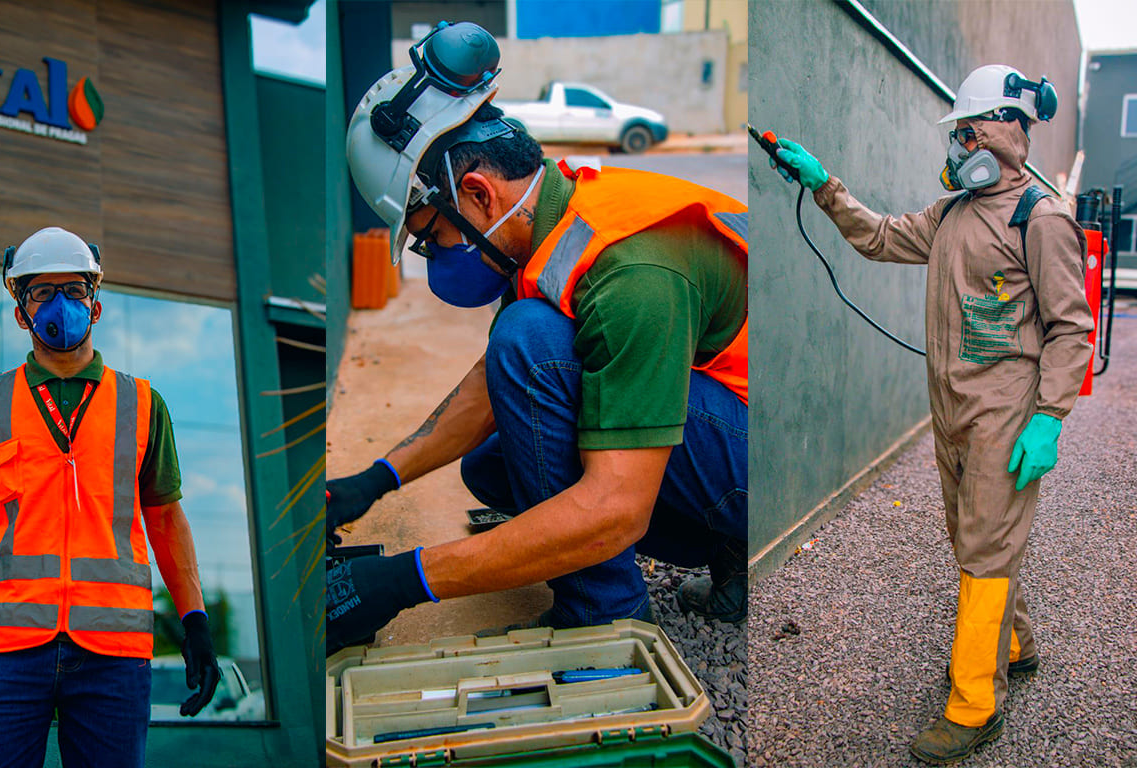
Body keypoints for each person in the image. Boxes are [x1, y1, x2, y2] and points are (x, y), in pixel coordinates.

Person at [326, 22, 748, 654]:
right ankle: (724, 550)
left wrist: (404, 580)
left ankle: (606, 619)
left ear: (475, 192)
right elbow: (491, 386)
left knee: (528, 343)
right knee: (494, 465)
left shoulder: (632, 269)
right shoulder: (547, 221)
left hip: (761, 454)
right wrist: (375, 481)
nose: (433, 254)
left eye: (429, 234)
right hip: (715, 421)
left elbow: (617, 508)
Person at [772, 65, 1092, 764]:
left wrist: (1050, 418)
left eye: (967, 131)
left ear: (1004, 132)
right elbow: (880, 236)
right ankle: (1016, 643)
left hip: (1006, 415)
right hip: (951, 410)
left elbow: (1072, 327)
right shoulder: (950, 215)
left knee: (982, 548)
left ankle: (976, 705)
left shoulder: (1039, 219)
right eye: (958, 133)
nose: (957, 144)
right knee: (974, 537)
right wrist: (824, 186)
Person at [0, 227, 221, 768]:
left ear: (96, 304)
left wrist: (195, 620)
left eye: (73, 290)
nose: (60, 305)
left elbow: (165, 519)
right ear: (21, 311)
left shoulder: (142, 403)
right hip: (7, 648)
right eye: (42, 292)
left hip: (114, 655)